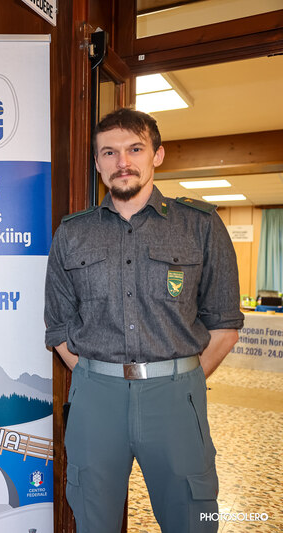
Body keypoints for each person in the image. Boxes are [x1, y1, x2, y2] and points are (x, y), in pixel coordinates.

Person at [44, 107, 243, 532]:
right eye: (109, 152)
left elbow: (225, 325)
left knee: (192, 518)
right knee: (93, 517)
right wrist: (99, 377)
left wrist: (180, 379)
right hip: (96, 399)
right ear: (97, 163)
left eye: (135, 149)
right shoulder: (72, 233)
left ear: (157, 155)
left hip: (176, 398)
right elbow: (58, 328)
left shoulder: (201, 226)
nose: (122, 162)